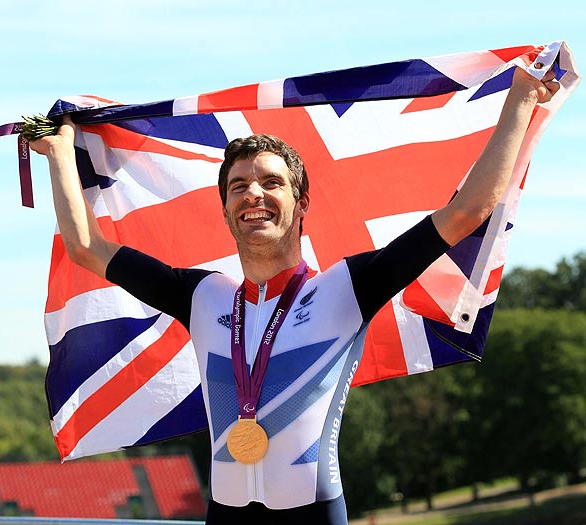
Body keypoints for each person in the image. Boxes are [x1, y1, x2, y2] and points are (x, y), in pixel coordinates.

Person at [31, 66, 558, 524]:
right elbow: (85, 247)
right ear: (226, 209)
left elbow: (467, 212)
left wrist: (520, 99)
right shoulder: (203, 296)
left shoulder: (346, 287)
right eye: (238, 186)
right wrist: (57, 151)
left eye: (270, 182)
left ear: (300, 201)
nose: (252, 194)